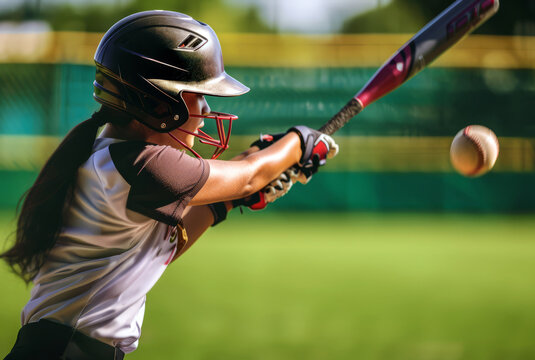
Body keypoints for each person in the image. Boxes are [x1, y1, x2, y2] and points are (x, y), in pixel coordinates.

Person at [1, 10, 338, 360]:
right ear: (157, 100)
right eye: (197, 93)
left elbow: (159, 252)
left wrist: (228, 200)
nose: (206, 109)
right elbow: (249, 175)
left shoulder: (111, 155)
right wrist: (300, 140)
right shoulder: (141, 164)